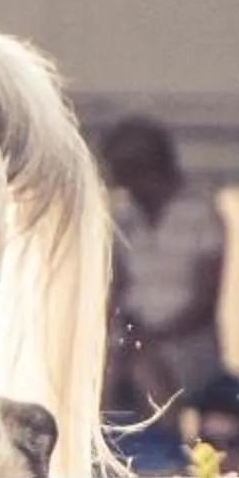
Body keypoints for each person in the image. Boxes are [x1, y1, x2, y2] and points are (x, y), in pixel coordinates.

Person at [99, 116, 224, 418]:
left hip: (187, 343)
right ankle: (92, 446)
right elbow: (117, 287)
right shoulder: (125, 217)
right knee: (102, 363)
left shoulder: (200, 212)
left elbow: (207, 300)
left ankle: (169, 449)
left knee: (144, 365)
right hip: (132, 337)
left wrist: (155, 337)